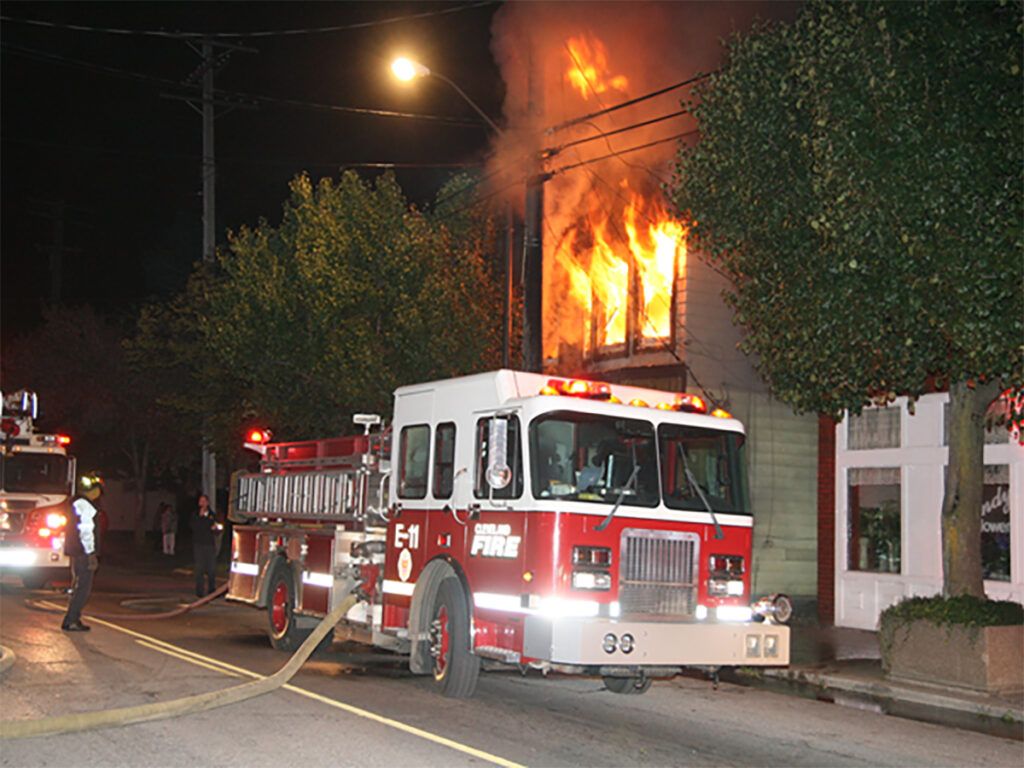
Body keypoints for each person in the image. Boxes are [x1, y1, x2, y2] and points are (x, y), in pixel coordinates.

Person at [62, 474, 103, 631]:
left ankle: (72, 618)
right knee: (83, 587)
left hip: (75, 550)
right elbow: (86, 531)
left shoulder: (74, 503)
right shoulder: (86, 506)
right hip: (83, 552)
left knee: (77, 584)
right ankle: (72, 620)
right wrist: (91, 552)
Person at [191, 493, 221, 597]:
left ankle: (211, 589)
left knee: (211, 568)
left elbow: (216, 526)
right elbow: (195, 526)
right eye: (201, 501)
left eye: (204, 501)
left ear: (208, 503)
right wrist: (201, 517)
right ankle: (199, 591)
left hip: (209, 544)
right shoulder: (195, 514)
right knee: (199, 568)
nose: (202, 503)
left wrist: (216, 528)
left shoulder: (212, 515)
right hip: (199, 544)